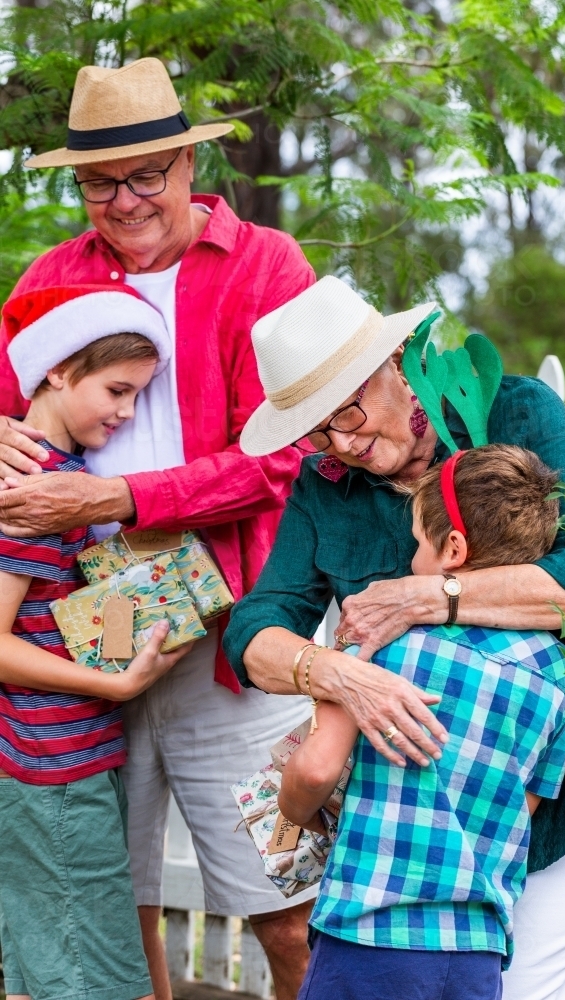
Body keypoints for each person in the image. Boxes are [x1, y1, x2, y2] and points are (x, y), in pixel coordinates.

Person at [223, 274, 565, 1000]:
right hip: (430, 808)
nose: (343, 443)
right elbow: (254, 628)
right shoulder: (322, 487)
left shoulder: (516, 410)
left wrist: (423, 596)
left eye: (349, 412)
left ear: (396, 362)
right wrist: (333, 674)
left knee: (521, 990)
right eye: (319, 431)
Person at [0, 58, 316, 1000]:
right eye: (101, 181)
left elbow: (282, 458)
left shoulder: (266, 265)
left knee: (287, 897)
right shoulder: (52, 275)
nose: (126, 199)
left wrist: (115, 499)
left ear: (187, 163)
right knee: (115, 897)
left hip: (235, 628)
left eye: (147, 174)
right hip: (78, 637)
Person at [278, 444, 565, 1000]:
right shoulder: (562, 670)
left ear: (453, 549)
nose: (411, 557)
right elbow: (524, 808)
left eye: (417, 542)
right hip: (477, 952)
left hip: (369, 936)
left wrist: (295, 809)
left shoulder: (382, 643)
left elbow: (317, 771)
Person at [0, 284, 193, 1000]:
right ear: (56, 370)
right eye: (116, 389)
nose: (127, 411)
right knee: (106, 984)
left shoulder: (69, 479)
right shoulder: (36, 488)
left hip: (67, 761)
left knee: (43, 979)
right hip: (50, 773)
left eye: (139, 395)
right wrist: (114, 685)